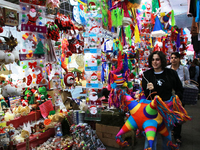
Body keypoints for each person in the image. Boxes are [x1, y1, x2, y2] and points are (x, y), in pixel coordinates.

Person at [142, 51, 183, 150]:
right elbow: (146, 94)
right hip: (152, 109)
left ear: (162, 60)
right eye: (153, 59)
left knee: (167, 135)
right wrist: (148, 89)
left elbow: (179, 89)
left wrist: (176, 100)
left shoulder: (171, 73)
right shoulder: (147, 74)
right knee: (150, 136)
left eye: (157, 59)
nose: (155, 62)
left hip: (166, 108)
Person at [167, 52, 190, 145]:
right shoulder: (167, 69)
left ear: (179, 59)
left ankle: (177, 136)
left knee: (178, 115)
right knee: (168, 115)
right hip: (168, 97)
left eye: (175, 58)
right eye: (172, 57)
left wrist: (185, 82)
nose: (173, 59)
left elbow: (188, 80)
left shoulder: (184, 69)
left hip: (179, 97)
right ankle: (169, 132)